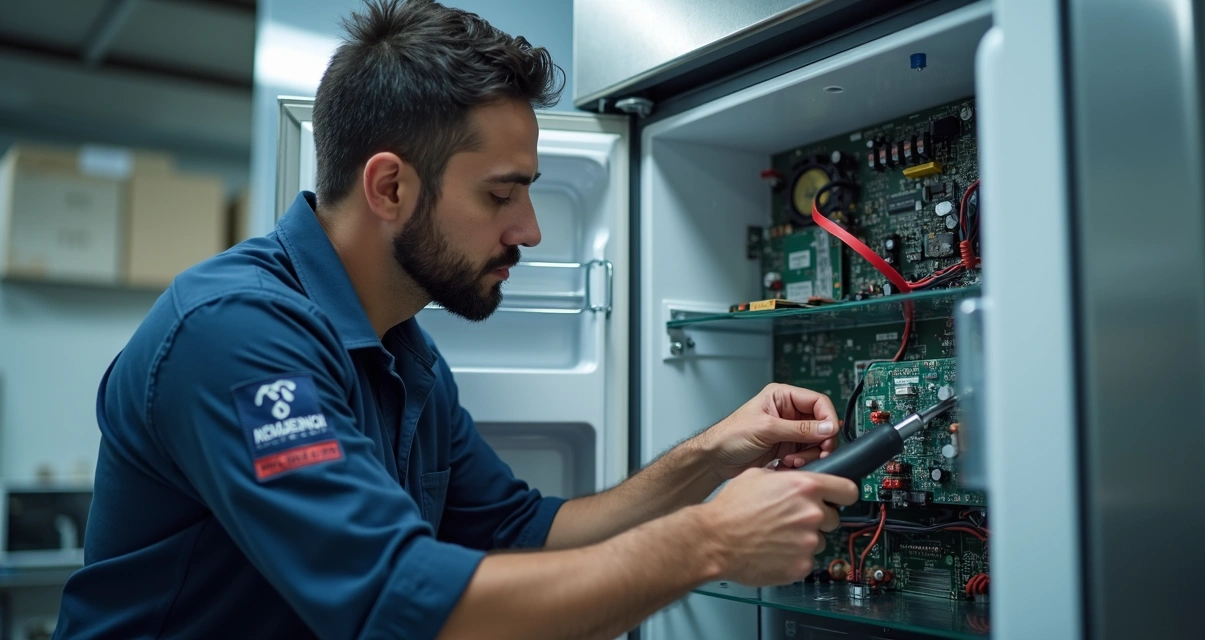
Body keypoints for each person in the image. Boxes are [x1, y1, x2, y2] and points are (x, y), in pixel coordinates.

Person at [52, 1, 857, 638]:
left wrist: (712, 456)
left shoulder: (405, 356)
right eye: (501, 193)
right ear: (390, 188)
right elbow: (398, 606)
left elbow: (524, 532)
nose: (530, 230)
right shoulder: (234, 335)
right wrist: (708, 543)